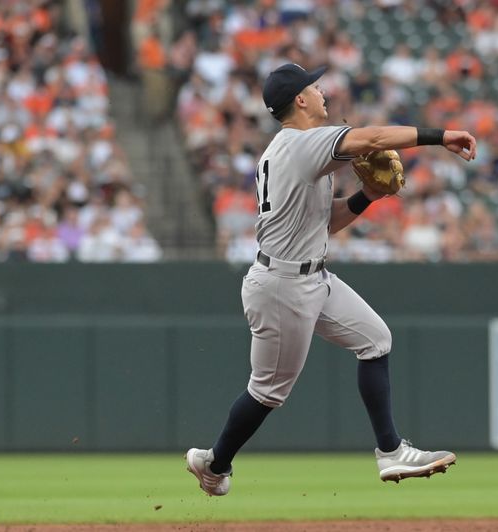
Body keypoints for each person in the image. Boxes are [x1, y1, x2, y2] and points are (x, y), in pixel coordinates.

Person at [185, 64, 477, 496]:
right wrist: (440, 136)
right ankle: (214, 463)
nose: (323, 93)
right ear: (300, 100)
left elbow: (327, 223)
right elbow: (373, 138)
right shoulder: (301, 144)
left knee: (376, 340)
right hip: (283, 286)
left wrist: (369, 196)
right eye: (315, 87)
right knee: (268, 392)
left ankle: (391, 450)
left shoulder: (291, 151)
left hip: (309, 274)